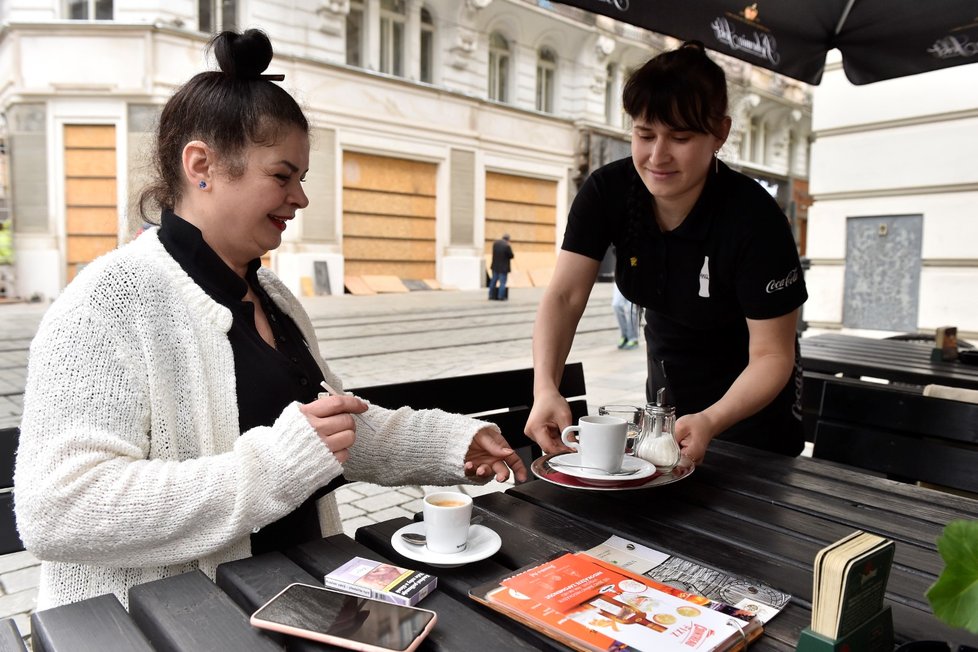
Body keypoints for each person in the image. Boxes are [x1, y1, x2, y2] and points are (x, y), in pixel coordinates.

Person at [14, 29, 525, 611]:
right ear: (201, 165)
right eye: (283, 176)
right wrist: (273, 467)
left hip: (302, 595)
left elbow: (330, 430)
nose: (300, 198)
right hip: (174, 625)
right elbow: (56, 510)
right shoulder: (107, 301)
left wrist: (451, 443)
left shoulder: (272, 293)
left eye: (301, 178)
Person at [524, 41, 807, 465]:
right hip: (667, 415)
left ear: (720, 133)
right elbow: (564, 297)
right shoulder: (607, 193)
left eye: (680, 137)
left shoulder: (754, 217)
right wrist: (546, 386)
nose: (657, 156)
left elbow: (772, 355)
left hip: (753, 422)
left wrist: (712, 419)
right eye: (644, 134)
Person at [611, 275, 640, 350]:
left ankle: (633, 339)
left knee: (631, 309)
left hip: (635, 277)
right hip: (620, 276)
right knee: (616, 305)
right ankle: (625, 336)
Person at [488, 233, 514, 300]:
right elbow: (511, 256)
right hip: (503, 268)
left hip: (495, 266)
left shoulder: (495, 244)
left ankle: (491, 295)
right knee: (502, 282)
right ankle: (500, 296)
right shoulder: (507, 246)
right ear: (508, 239)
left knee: (493, 281)